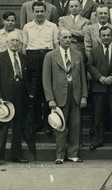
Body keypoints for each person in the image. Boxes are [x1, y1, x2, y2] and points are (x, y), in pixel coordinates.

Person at [0, 31, 37, 167]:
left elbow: (33, 75)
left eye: (17, 41)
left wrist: (31, 93)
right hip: (5, 96)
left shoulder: (24, 58)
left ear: (21, 43)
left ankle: (16, 155)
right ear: (7, 43)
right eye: (12, 41)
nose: (15, 43)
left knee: (18, 125)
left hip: (21, 95)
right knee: (2, 125)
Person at [43, 29, 88, 164]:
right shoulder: (50, 56)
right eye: (64, 37)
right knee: (60, 125)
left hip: (75, 93)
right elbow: (46, 79)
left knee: (75, 124)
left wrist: (84, 96)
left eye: (69, 37)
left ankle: (73, 153)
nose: (68, 40)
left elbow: (82, 77)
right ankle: (60, 155)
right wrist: (50, 98)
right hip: (58, 95)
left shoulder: (78, 55)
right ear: (59, 39)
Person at [22, 2, 59, 133]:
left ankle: (49, 124)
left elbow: (56, 45)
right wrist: (25, 63)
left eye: (41, 11)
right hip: (32, 58)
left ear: (45, 11)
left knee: (48, 90)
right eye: (36, 11)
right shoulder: (27, 27)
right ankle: (37, 123)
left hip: (47, 56)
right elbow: (24, 46)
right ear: (32, 12)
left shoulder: (52, 26)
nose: (39, 14)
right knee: (35, 90)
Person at [87, 26, 112, 151]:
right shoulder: (94, 50)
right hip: (99, 86)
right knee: (98, 115)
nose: (106, 37)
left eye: (108, 35)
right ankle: (97, 140)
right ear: (100, 37)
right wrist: (99, 77)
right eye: (104, 35)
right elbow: (90, 65)